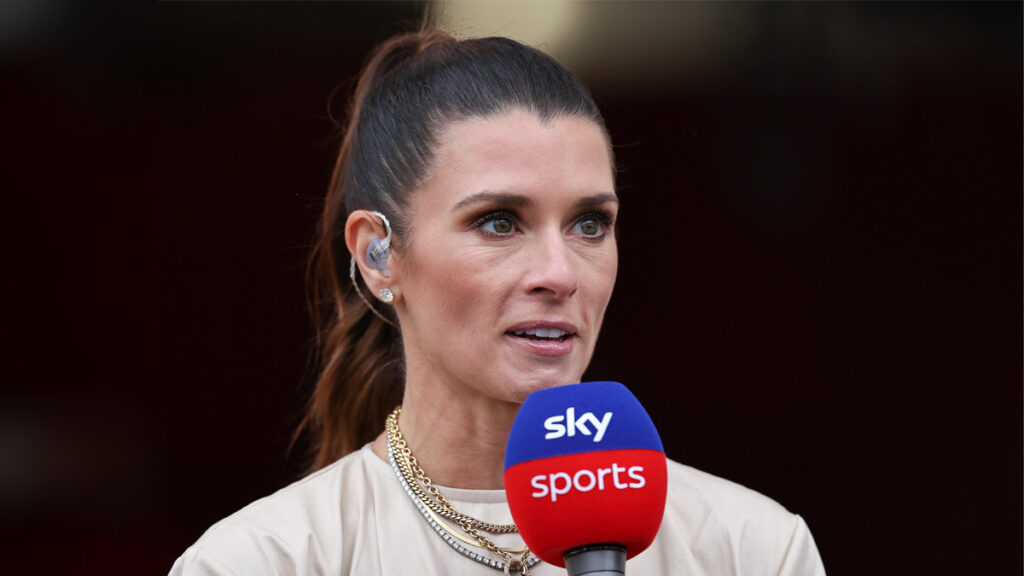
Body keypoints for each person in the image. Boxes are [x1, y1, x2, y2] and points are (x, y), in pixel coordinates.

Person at [170, 25, 826, 576]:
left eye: (589, 224)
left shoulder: (749, 551)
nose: (559, 273)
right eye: (499, 222)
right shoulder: (266, 561)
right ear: (378, 254)